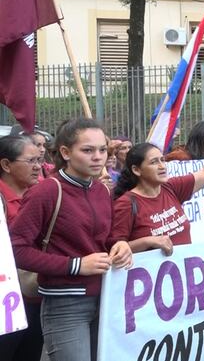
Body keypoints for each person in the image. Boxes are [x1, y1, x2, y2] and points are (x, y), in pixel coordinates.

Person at [10, 118, 133, 361]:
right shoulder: (46, 191)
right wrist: (76, 265)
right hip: (64, 304)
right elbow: (16, 249)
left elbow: (104, 238)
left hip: (107, 299)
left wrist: (120, 244)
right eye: (87, 150)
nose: (97, 157)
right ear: (65, 152)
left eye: (102, 150)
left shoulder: (102, 190)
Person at [111, 123, 204, 253]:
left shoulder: (172, 188)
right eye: (154, 162)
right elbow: (115, 249)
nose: (162, 166)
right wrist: (148, 242)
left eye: (162, 160)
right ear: (136, 170)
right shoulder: (126, 204)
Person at [0, 136, 43, 361]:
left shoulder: (39, 196)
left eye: (39, 160)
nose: (38, 167)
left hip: (34, 297)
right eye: (30, 161)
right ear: (6, 165)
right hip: (5, 303)